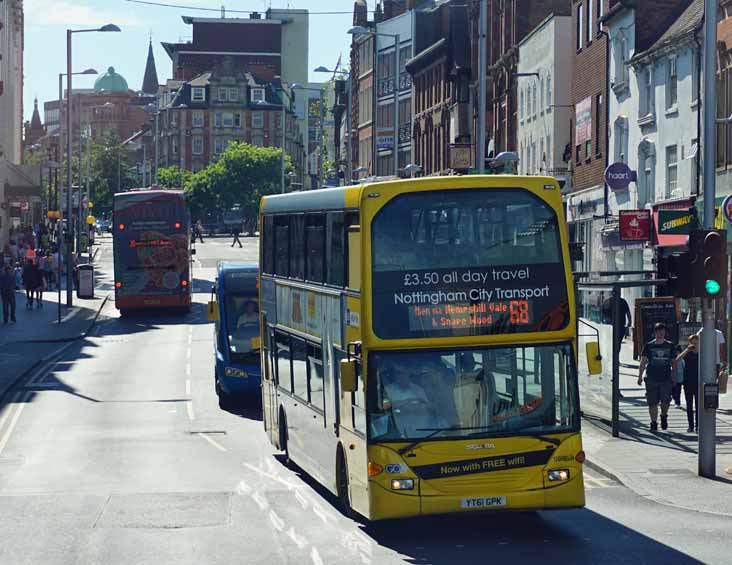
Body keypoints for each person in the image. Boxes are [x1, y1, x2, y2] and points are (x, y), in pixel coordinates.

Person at [638, 322, 677, 432]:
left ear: (665, 332)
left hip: (666, 378)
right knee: (652, 402)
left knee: (665, 402)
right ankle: (653, 422)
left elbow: (674, 362)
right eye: (658, 331)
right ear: (655, 332)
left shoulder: (670, 345)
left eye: (662, 331)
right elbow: (643, 361)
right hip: (651, 377)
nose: (660, 333)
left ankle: (664, 415)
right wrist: (640, 376)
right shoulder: (649, 345)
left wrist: (674, 376)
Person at [676, 334, 699, 433]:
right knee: (689, 406)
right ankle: (691, 426)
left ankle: (698, 426)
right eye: (692, 343)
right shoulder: (687, 353)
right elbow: (677, 360)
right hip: (688, 382)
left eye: (696, 343)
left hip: (698, 382)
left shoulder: (702, 353)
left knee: (698, 406)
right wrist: (686, 350)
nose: (694, 345)